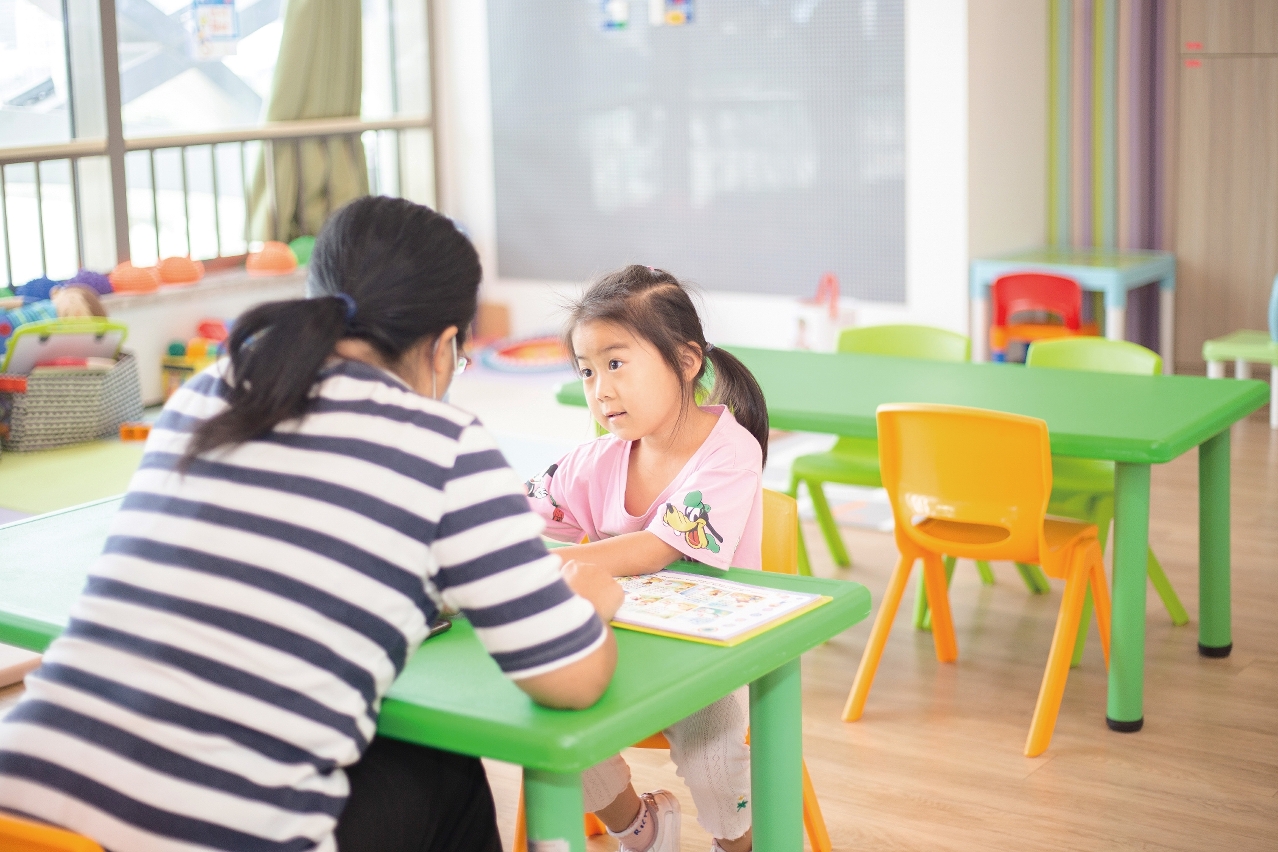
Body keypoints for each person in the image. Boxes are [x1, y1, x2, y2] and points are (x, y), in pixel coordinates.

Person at [0, 196, 622, 852]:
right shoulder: (444, 444)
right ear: (444, 347)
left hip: (24, 815)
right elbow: (571, 681)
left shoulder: (207, 394)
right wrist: (590, 603)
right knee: (447, 772)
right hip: (204, 839)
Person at [525, 265, 769, 852]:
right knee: (549, 722)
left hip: (711, 659)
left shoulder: (730, 452)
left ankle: (736, 845)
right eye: (587, 371)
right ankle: (641, 829)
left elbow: (657, 547)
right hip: (624, 648)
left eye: (615, 364)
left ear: (686, 361)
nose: (600, 390)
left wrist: (559, 566)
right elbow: (520, 517)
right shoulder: (593, 461)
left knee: (714, 756)